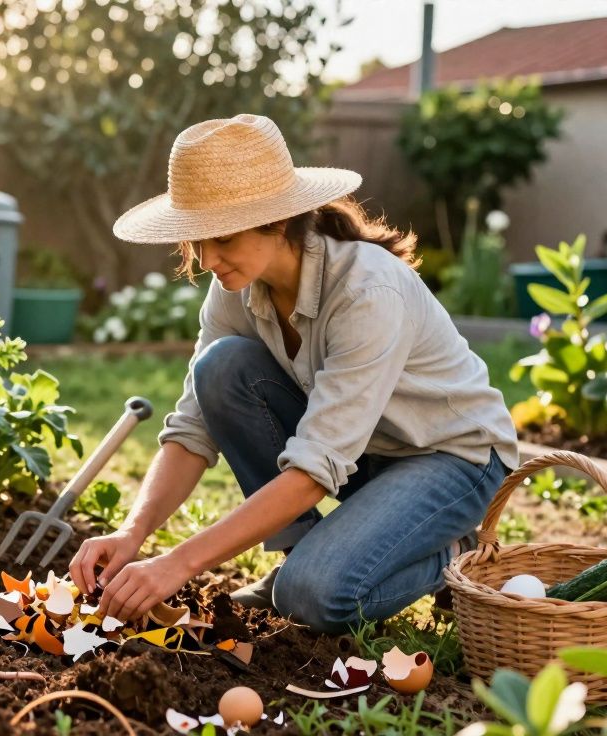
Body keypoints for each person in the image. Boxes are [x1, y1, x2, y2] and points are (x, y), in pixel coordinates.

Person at [68, 114, 519, 633]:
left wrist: (179, 562)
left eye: (223, 238)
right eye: (196, 240)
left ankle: (454, 555)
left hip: (451, 459)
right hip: (365, 456)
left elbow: (312, 472)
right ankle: (301, 552)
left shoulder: (367, 293)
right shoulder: (237, 286)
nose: (208, 258)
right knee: (221, 368)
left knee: (312, 597)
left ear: (277, 221)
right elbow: (193, 427)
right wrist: (133, 532)